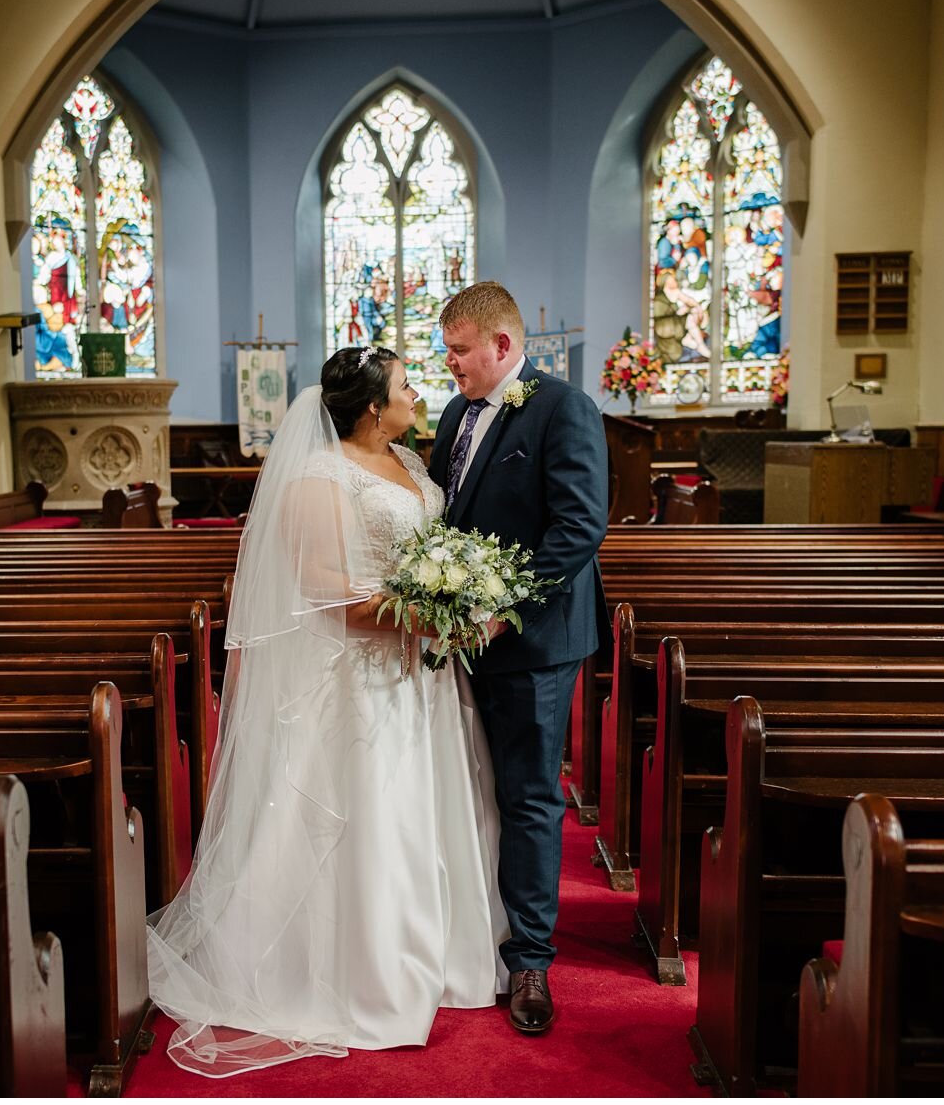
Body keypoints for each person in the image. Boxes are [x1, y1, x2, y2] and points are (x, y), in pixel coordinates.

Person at [146, 345, 507, 1077]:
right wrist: (426, 615)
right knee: (372, 815)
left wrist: (464, 601)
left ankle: (441, 955)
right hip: (363, 677)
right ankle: (365, 972)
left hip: (425, 678)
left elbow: (430, 549)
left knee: (432, 808)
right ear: (373, 406)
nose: (417, 394)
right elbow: (323, 589)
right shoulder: (318, 475)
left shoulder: (410, 464)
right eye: (406, 385)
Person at [428, 281, 610, 1035]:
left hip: (531, 643)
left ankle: (530, 957)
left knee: (530, 797)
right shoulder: (452, 413)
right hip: (461, 642)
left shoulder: (563, 407)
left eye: (460, 350)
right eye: (445, 351)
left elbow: (576, 527)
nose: (450, 365)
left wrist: (501, 613)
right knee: (473, 789)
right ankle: (472, 933)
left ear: (503, 346)